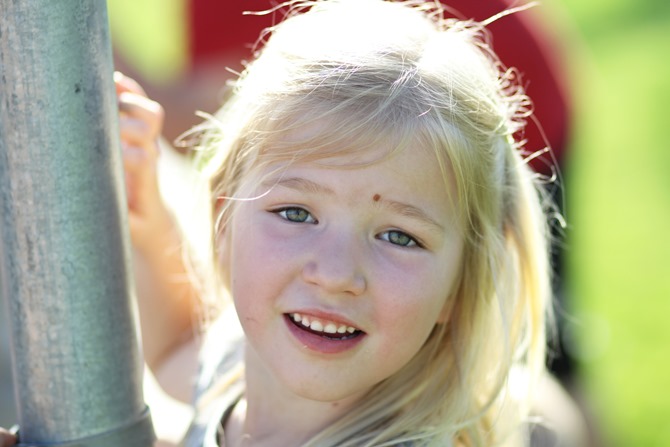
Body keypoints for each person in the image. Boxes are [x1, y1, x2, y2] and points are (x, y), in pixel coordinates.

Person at [2, 1, 585, 445]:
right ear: (223, 219)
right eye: (296, 213)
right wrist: (146, 212)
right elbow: (182, 346)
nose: (335, 274)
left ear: (461, 284)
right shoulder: (235, 376)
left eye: (398, 236)